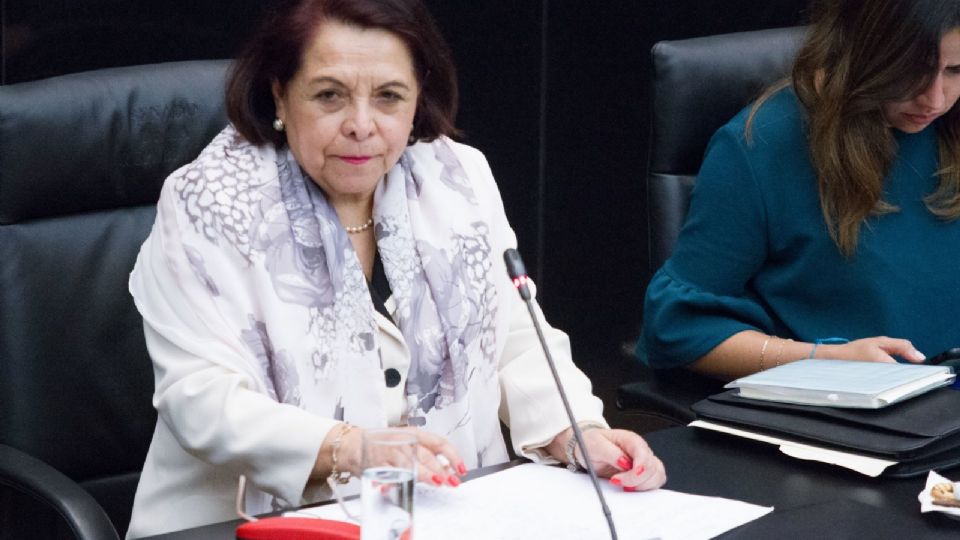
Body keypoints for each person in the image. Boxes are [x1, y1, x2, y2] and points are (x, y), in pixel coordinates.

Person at [126, 0, 665, 537]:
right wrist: (349, 447)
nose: (361, 125)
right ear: (280, 94)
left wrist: (576, 432)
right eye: (330, 95)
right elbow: (200, 398)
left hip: (436, 517)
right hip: (241, 524)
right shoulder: (208, 204)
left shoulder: (458, 178)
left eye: (388, 97)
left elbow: (512, 340)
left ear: (416, 101)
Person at [638, 0, 960, 381]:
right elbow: (674, 327)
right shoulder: (764, 145)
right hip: (853, 416)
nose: (934, 99)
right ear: (860, 48)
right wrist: (820, 359)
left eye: (956, 70)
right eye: (910, 70)